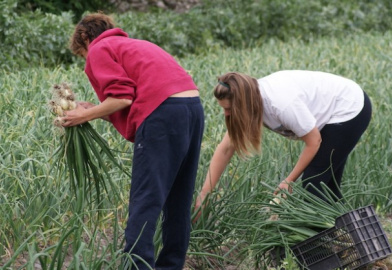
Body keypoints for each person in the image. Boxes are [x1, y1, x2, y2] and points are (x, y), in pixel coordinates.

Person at [65, 13, 204, 270]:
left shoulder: (99, 48)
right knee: (178, 200)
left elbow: (122, 98)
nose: (88, 62)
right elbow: (139, 107)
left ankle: (137, 267)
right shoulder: (135, 45)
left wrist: (84, 114)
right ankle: (170, 266)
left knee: (145, 200)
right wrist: (96, 111)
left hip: (164, 112)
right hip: (191, 109)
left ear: (85, 38)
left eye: (83, 55)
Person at [195, 70, 371, 215]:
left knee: (314, 182)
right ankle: (344, 238)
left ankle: (320, 247)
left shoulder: (280, 103)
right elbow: (226, 149)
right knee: (326, 185)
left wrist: (288, 181)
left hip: (349, 108)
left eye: (228, 108)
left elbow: (314, 141)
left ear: (242, 103)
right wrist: (204, 194)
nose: (226, 114)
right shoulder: (250, 101)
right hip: (331, 114)